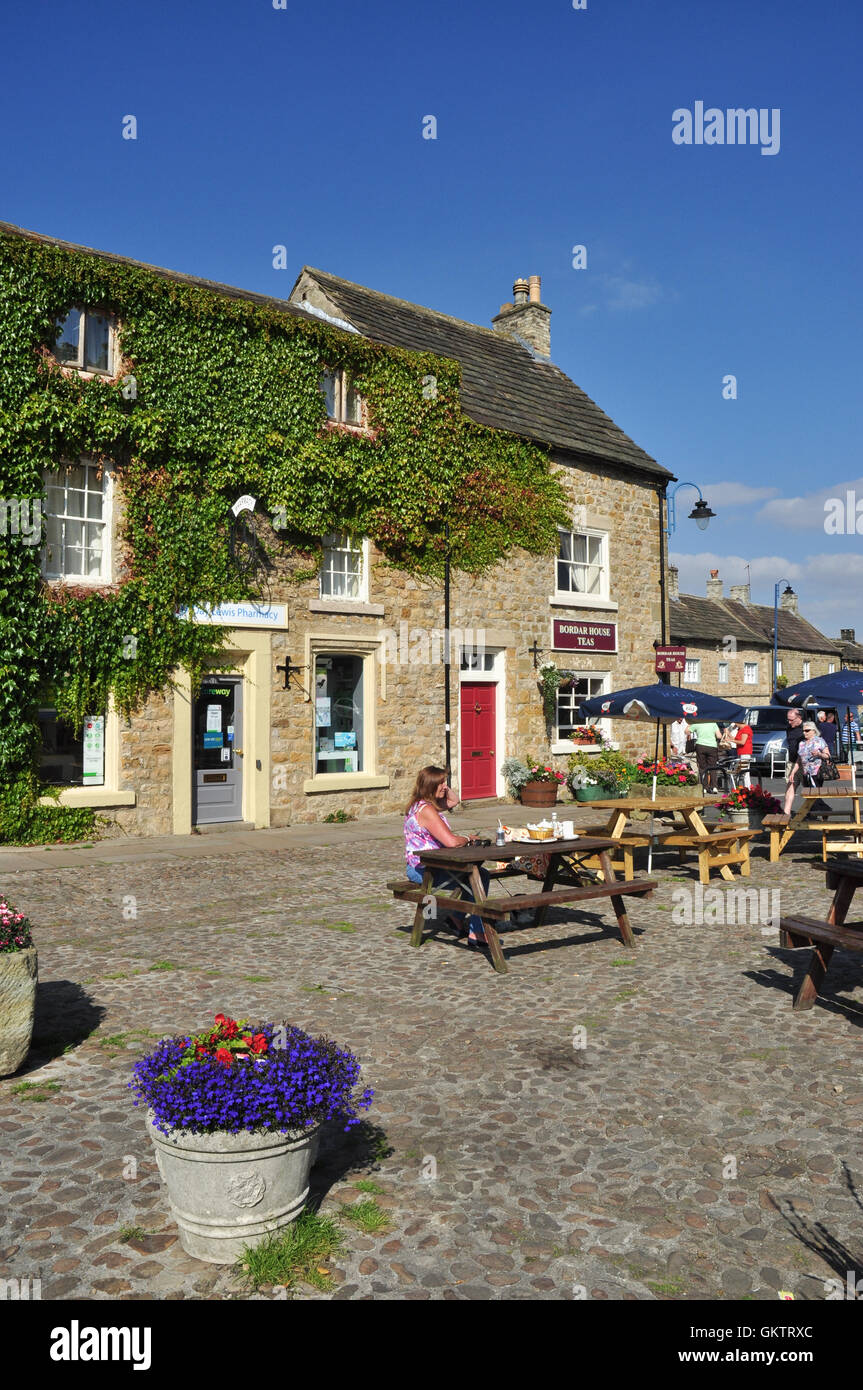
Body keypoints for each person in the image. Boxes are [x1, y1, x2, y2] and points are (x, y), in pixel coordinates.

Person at [403, 766, 489, 946]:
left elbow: (454, 800)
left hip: (433, 864)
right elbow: (450, 842)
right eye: (441, 783)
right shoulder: (426, 810)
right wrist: (467, 838)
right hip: (424, 869)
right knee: (478, 876)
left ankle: (456, 918)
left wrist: (442, 785)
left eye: (445, 782)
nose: (444, 786)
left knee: (476, 875)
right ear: (429, 786)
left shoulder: (424, 804)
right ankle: (476, 932)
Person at [782, 707, 808, 813]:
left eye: (791, 720)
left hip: (804, 764)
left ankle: (815, 810)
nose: (789, 722)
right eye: (788, 719)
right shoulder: (789, 728)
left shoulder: (805, 728)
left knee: (809, 789)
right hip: (792, 761)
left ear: (799, 717)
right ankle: (786, 812)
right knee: (790, 787)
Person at [794, 720, 830, 793]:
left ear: (813, 731)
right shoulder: (801, 743)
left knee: (815, 796)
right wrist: (793, 772)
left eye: (807, 730)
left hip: (816, 773)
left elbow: (828, 756)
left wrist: (819, 754)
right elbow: (799, 759)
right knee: (810, 797)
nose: (804, 732)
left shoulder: (819, 741)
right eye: (803, 731)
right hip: (805, 773)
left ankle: (822, 805)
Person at [691, 720, 721, 791]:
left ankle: (704, 787)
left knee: (702, 767)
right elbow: (719, 736)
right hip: (712, 747)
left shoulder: (697, 722)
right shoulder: (713, 723)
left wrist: (690, 725)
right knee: (713, 767)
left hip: (700, 746)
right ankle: (714, 787)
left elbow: (686, 731)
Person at [731, 720, 754, 788]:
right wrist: (728, 734)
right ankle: (747, 787)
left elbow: (742, 742)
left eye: (736, 724)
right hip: (741, 752)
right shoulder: (740, 729)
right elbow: (736, 739)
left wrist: (731, 740)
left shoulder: (746, 729)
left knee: (744, 771)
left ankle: (747, 787)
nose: (735, 725)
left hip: (745, 752)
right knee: (744, 772)